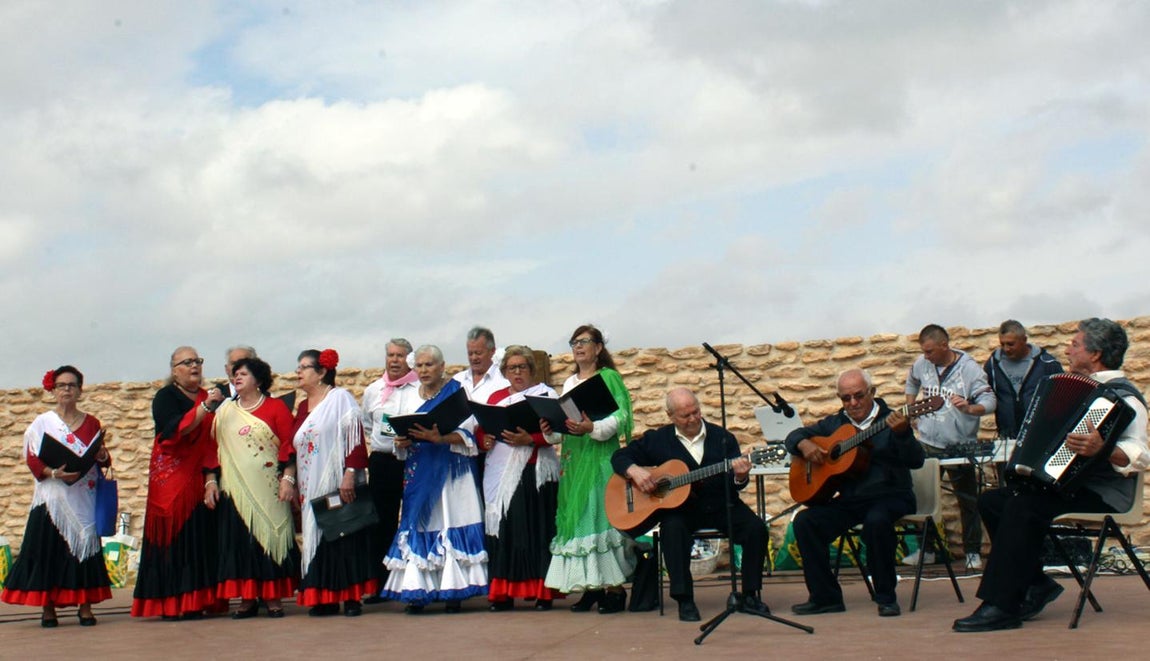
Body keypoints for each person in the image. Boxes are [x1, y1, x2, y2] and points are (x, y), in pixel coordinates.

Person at [954, 318, 1149, 632]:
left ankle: (1001, 605)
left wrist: (1103, 448)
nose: (1067, 349)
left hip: (1105, 494)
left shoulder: (1125, 397)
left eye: (1075, 344)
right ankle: (1037, 584)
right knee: (993, 501)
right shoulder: (1077, 387)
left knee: (1023, 506)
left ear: (1095, 353)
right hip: (1067, 486)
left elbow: (1139, 456)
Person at [611, 387, 770, 622]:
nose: (693, 419)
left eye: (696, 412)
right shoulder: (657, 439)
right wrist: (634, 471)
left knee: (756, 529)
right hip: (680, 510)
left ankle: (749, 594)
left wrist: (740, 476)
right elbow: (619, 457)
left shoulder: (723, 437)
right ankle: (684, 600)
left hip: (720, 504)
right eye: (685, 416)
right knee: (672, 531)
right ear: (670, 416)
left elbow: (735, 485)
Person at [785, 368, 925, 617]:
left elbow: (916, 460)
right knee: (806, 522)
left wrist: (903, 434)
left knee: (877, 521)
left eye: (859, 396)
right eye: (845, 398)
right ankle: (825, 597)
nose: (853, 403)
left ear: (872, 392)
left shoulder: (892, 419)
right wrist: (803, 444)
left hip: (891, 495)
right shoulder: (836, 423)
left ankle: (886, 597)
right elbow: (794, 435)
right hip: (851, 500)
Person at [2, 366, 113, 627]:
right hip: (52, 496)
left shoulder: (92, 423)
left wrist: (102, 456)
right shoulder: (42, 423)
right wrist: (53, 472)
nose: (67, 390)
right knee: (48, 551)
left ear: (80, 390)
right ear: (53, 390)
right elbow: (32, 457)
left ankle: (85, 606)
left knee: (83, 549)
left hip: (83, 493)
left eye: (72, 385)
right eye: (62, 385)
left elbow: (102, 455)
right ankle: (48, 608)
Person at [381, 345, 488, 613]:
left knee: (450, 521)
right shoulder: (405, 397)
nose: (424, 370)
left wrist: (440, 438)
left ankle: (454, 593)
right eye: (419, 365)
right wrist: (401, 441)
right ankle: (418, 592)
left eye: (429, 365)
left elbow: (469, 434)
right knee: (420, 526)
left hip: (452, 473)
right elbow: (395, 430)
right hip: (419, 472)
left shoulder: (457, 393)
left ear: (442, 367)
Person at [544, 324, 636, 614]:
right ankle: (590, 587)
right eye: (574, 342)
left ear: (598, 347)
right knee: (579, 519)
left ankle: (615, 589)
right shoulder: (570, 382)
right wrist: (551, 428)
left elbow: (620, 416)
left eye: (585, 342)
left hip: (598, 460)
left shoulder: (608, 378)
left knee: (599, 519)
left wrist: (592, 427)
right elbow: (566, 425)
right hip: (574, 462)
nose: (579, 347)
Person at [132, 347, 227, 619]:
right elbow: (174, 430)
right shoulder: (166, 397)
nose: (194, 366)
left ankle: (198, 600)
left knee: (199, 536)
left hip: (200, 476)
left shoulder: (205, 396)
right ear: (174, 370)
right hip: (171, 478)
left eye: (197, 361)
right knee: (173, 539)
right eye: (187, 362)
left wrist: (211, 478)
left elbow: (213, 439)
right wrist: (205, 407)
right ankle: (171, 603)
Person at [206, 356, 299, 619]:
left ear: (258, 380)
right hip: (235, 490)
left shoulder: (275, 408)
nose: (237, 378)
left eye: (243, 374)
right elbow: (212, 450)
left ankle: (272, 598)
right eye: (235, 374)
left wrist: (288, 478)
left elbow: (288, 445)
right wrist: (210, 481)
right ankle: (247, 599)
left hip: (270, 487)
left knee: (269, 538)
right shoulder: (224, 411)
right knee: (241, 542)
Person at [292, 348, 377, 617]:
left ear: (321, 373)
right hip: (310, 482)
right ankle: (324, 597)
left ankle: (351, 597)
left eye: (304, 367)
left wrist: (350, 473)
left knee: (345, 536)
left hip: (337, 479)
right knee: (319, 537)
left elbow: (354, 436)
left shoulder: (340, 399)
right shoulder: (303, 408)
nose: (298, 372)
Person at [904, 324, 996, 570]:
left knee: (967, 499)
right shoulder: (922, 364)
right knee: (921, 497)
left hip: (959, 445)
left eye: (930, 351)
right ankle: (927, 550)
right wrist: (910, 408)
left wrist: (970, 408)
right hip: (926, 442)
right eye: (924, 351)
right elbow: (911, 381)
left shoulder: (969, 369)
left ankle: (972, 552)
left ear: (944, 345)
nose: (926, 356)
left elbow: (989, 400)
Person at [481, 345, 563, 612]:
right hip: (502, 473)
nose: (517, 372)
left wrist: (530, 438)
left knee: (537, 531)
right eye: (511, 368)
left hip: (534, 471)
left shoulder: (545, 394)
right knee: (507, 534)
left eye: (522, 367)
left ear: (531, 369)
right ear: (505, 372)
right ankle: (503, 594)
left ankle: (542, 593)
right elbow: (482, 430)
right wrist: (485, 438)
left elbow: (557, 432)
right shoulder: (495, 397)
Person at [360, 338, 420, 597]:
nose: (394, 360)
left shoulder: (419, 388)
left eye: (400, 356)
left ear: (410, 359)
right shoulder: (373, 390)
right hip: (383, 461)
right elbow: (368, 425)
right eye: (390, 355)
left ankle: (413, 580)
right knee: (381, 522)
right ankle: (379, 583)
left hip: (414, 459)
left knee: (415, 519)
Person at [983, 320, 1063, 440]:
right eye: (1002, 344)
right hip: (1007, 437)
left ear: (1024, 340)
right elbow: (986, 394)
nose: (1006, 349)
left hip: (1041, 435)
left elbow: (1062, 397)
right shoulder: (993, 365)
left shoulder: (1047, 363)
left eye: (1010, 344)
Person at [453, 326, 510, 487]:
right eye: (470, 353)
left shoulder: (503, 382)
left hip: (489, 454)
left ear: (492, 351)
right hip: (459, 452)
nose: (473, 358)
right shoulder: (457, 380)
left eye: (478, 353)